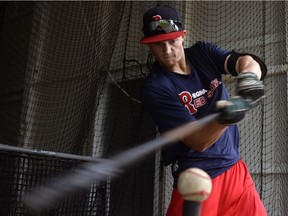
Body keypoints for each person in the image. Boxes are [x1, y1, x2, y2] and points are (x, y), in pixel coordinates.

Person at [139, 5, 268, 216]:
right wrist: (229, 116)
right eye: (158, 45)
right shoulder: (156, 87)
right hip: (196, 178)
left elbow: (248, 62)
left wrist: (248, 79)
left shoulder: (202, 53)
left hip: (234, 169)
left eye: (172, 41)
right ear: (149, 46)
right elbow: (198, 141)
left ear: (183, 36)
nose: (168, 51)